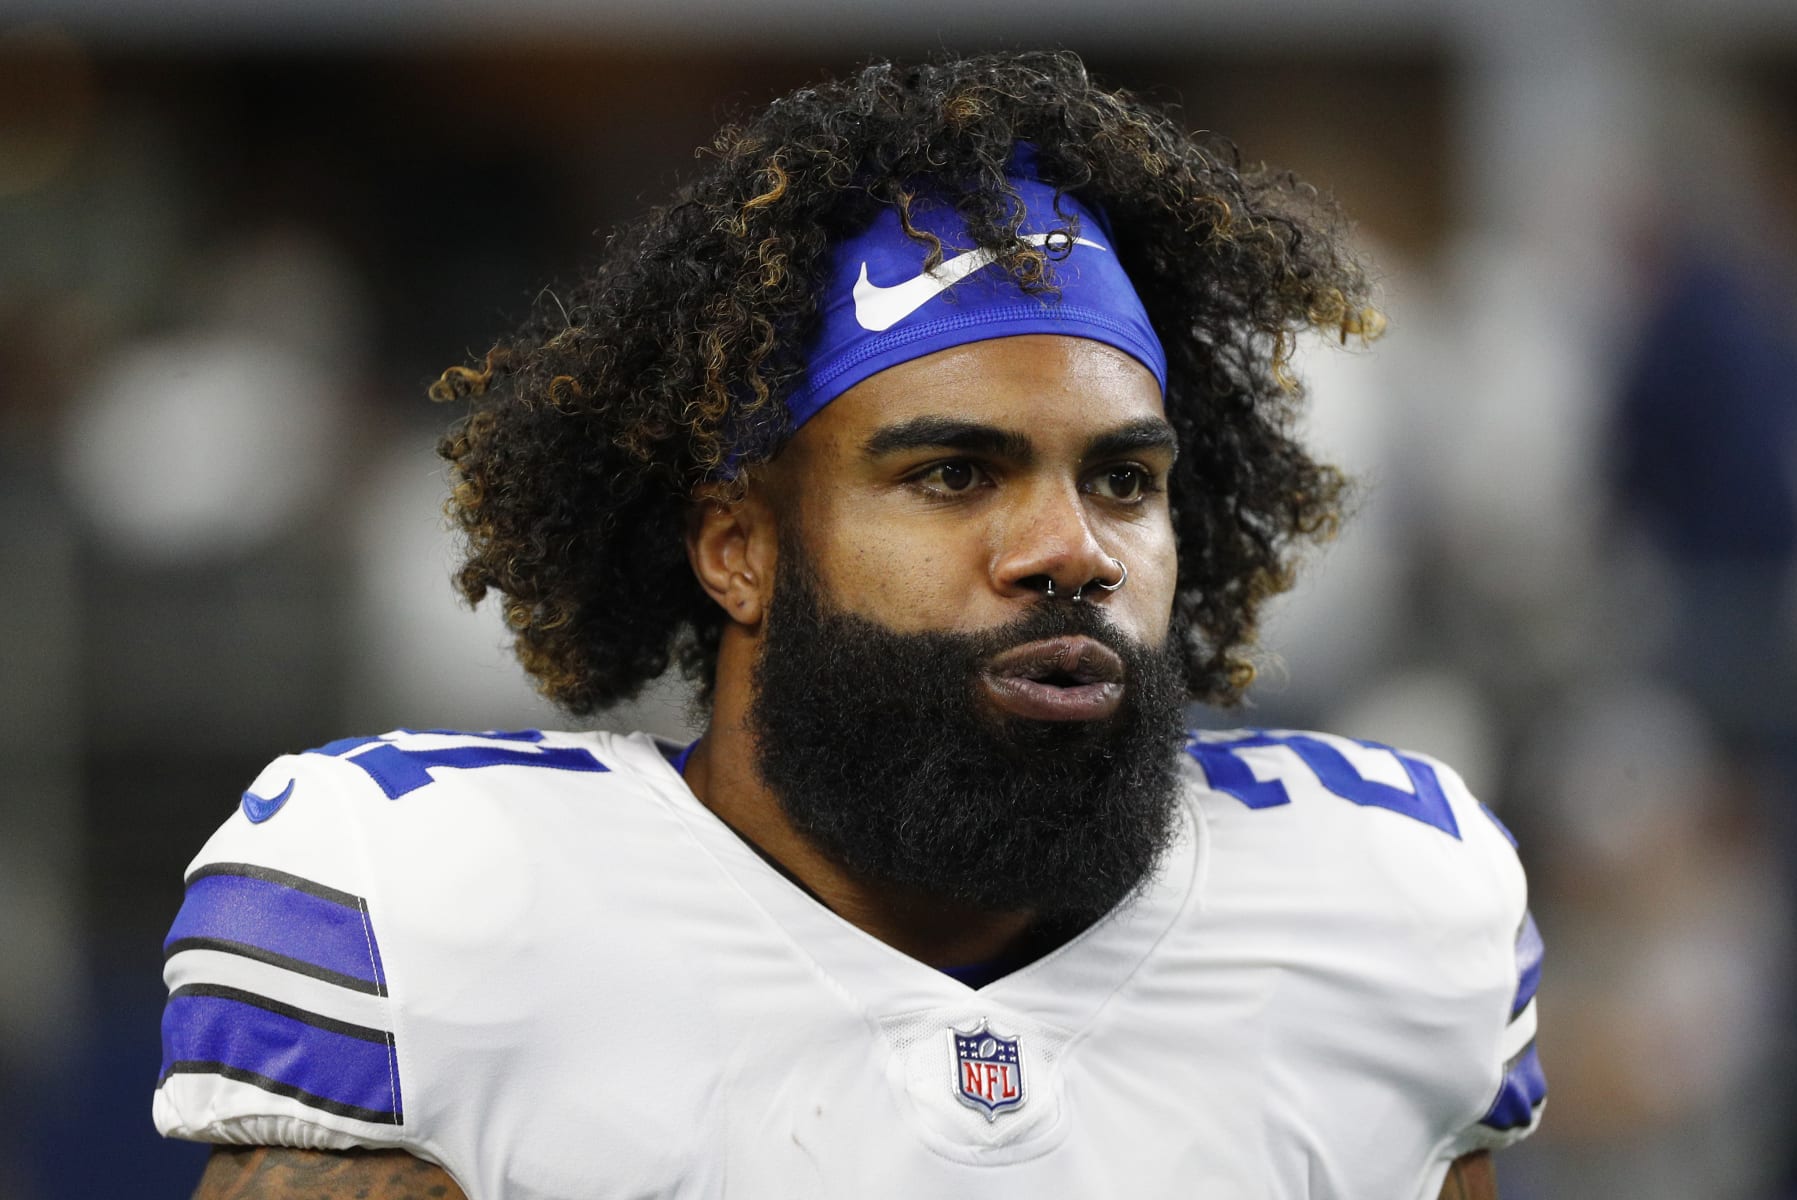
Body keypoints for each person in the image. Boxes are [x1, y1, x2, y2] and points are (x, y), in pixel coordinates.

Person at [154, 51, 1543, 1199]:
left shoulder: (1390, 909)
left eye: (1124, 480)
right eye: (954, 474)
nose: (1072, 550)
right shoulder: (430, 915)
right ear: (739, 547)